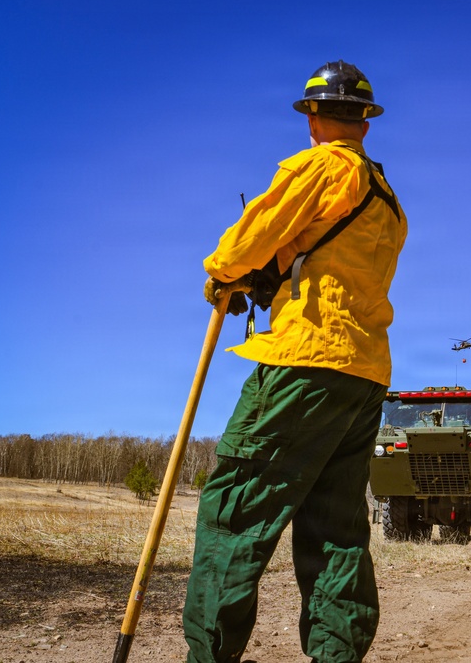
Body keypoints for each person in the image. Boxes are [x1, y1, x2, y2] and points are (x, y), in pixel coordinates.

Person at [183, 60, 407, 663]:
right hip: (363, 375)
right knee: (336, 530)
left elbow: (249, 236)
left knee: (234, 511)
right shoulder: (386, 199)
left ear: (311, 117)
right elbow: (327, 259)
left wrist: (223, 274)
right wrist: (274, 273)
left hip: (305, 363)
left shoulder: (321, 166)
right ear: (365, 121)